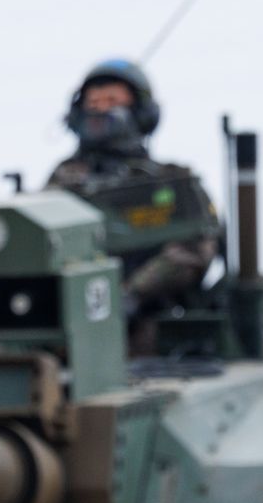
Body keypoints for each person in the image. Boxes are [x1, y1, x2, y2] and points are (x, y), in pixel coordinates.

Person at [48, 58, 220, 344]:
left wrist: (130, 294)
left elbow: (195, 248)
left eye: (112, 100)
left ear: (141, 112)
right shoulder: (61, 183)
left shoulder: (170, 181)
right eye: (93, 103)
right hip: (70, 329)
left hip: (152, 330)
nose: (101, 109)